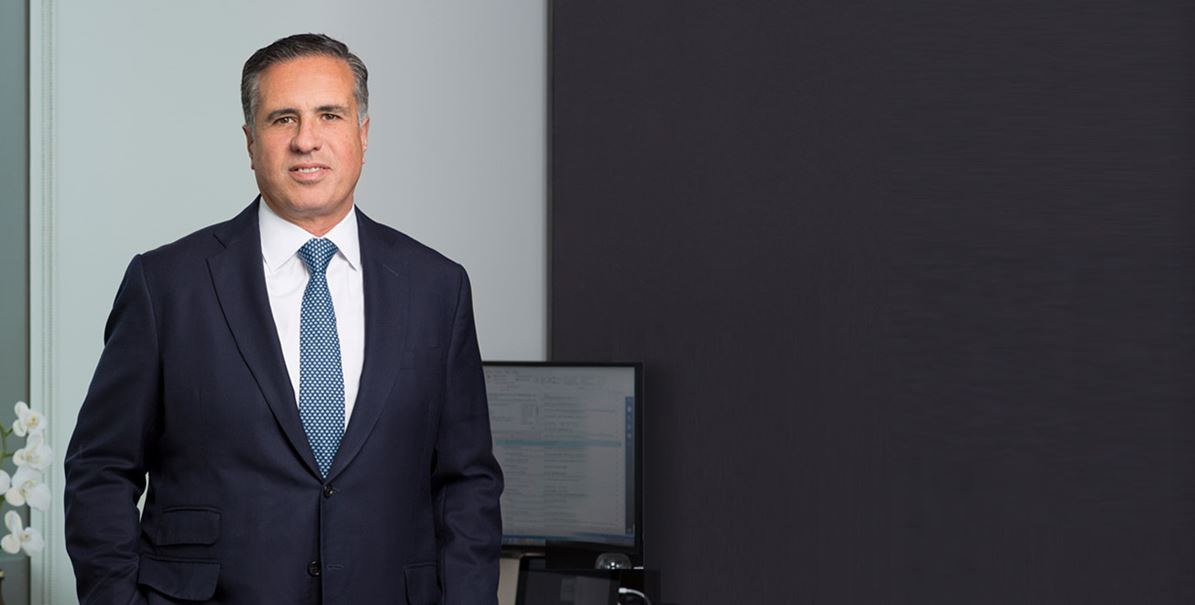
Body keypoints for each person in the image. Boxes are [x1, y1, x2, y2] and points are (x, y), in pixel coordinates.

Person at [63, 33, 503, 605]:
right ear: (250, 142)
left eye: (329, 115)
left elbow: (467, 482)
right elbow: (100, 468)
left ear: (363, 134)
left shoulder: (437, 288)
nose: (306, 140)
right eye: (282, 119)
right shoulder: (166, 285)